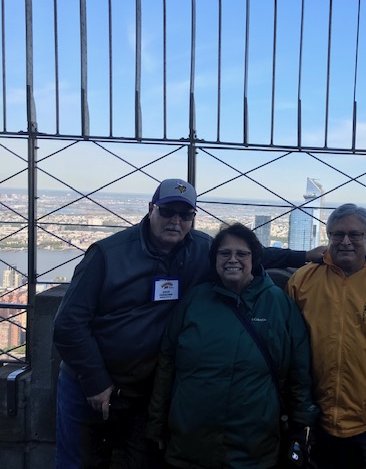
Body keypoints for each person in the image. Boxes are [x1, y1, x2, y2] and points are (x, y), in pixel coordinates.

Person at [53, 178, 325, 469]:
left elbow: (245, 252)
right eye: (167, 211)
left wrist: (304, 256)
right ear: (150, 209)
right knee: (78, 462)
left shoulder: (199, 248)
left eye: (185, 215)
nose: (176, 221)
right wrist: (95, 380)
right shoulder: (108, 254)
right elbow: (68, 323)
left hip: (143, 389)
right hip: (92, 384)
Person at [146, 223, 318, 468]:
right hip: (188, 445)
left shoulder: (278, 305)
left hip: (253, 448)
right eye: (224, 253)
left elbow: (299, 373)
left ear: (254, 259)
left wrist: (302, 428)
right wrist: (156, 425)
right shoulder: (194, 300)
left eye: (242, 254)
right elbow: (167, 364)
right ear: (214, 259)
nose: (232, 260)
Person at [286, 203, 366, 469]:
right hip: (313, 416)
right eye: (338, 234)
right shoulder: (302, 280)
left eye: (355, 234)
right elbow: (287, 346)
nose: (346, 242)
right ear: (328, 236)